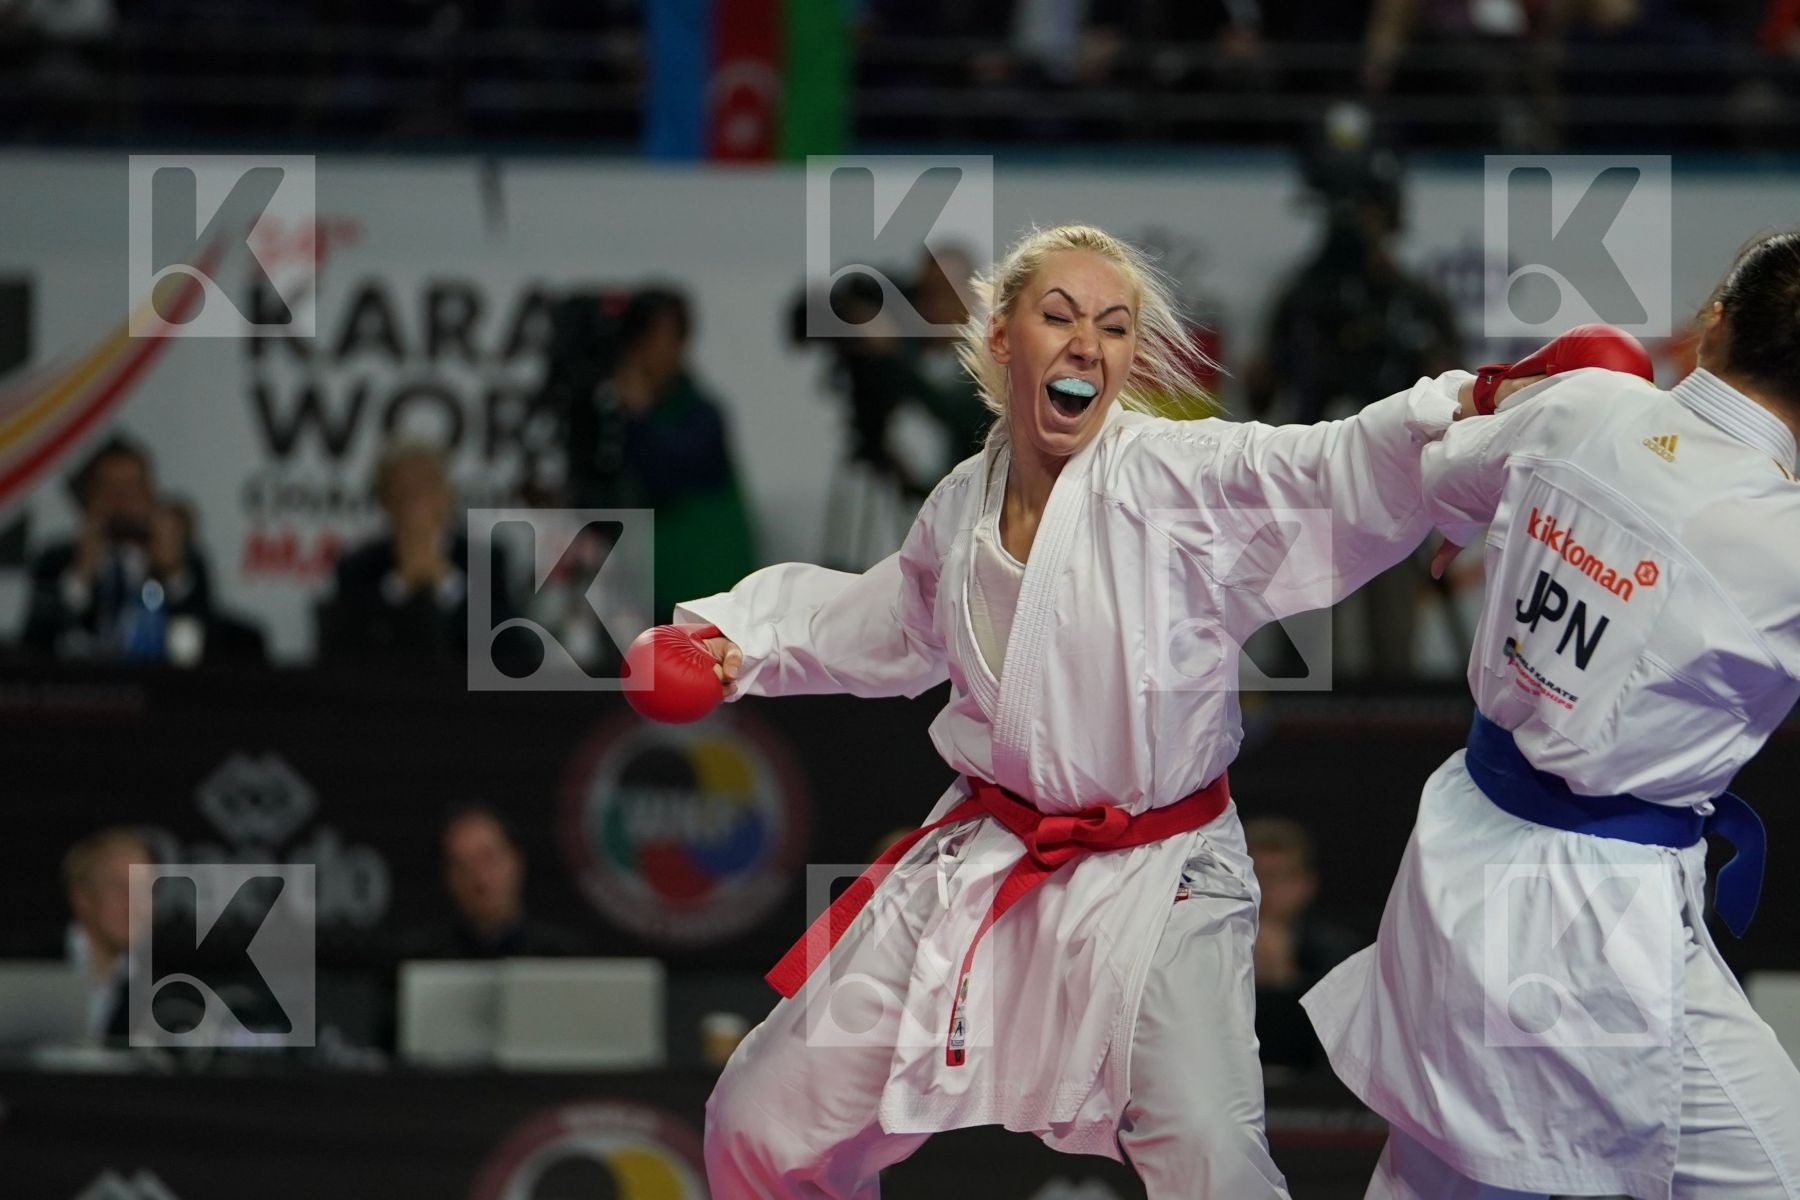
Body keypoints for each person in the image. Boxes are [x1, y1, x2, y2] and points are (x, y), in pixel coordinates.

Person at [676, 224, 1483, 1198]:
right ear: (1001, 338)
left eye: (1113, 327)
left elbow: (1318, 465)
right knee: (762, 1120)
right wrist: (736, 642)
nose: (1087, 345)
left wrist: (1467, 414)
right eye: (1059, 316)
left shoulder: (1171, 477)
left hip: (1160, 877)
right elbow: (889, 618)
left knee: (1212, 1160)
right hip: (989, 858)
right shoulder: (962, 504)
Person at [1303, 231, 1800, 1198]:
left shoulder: (1586, 403)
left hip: (1460, 846)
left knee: (1443, 1163)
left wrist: (1473, 507)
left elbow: (1443, 473)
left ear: (1712, 322)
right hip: (1593, 914)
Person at [318, 440, 517, 661]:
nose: (415, 498)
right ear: (384, 501)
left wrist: (447, 581)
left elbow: (513, 648)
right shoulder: (358, 568)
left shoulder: (487, 561)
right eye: (402, 489)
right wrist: (399, 584)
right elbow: (342, 651)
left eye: (427, 484)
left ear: (448, 496)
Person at [24, 435, 214, 662]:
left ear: (151, 496)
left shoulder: (187, 562)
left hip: (157, 680)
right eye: (110, 489)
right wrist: (80, 574)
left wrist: (171, 572)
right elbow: (37, 644)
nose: (122, 501)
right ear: (89, 499)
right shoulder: (55, 560)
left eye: (132, 488)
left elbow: (204, 644)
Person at [1242, 816, 1360, 1076]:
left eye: (1281, 877)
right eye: (1255, 875)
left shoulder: (1338, 954)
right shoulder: (1203, 948)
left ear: (1307, 885)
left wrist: (1285, 979)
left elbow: (1342, 1051)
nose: (1266, 889)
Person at [397, 805, 589, 960]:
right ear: (447, 876)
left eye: (488, 858)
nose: (479, 877)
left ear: (516, 861)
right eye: (461, 865)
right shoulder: (418, 959)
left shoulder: (562, 956)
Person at [62, 826, 151, 1045]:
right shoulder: (24, 965)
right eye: (120, 888)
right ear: (82, 897)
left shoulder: (161, 989)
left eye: (146, 890)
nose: (136, 906)